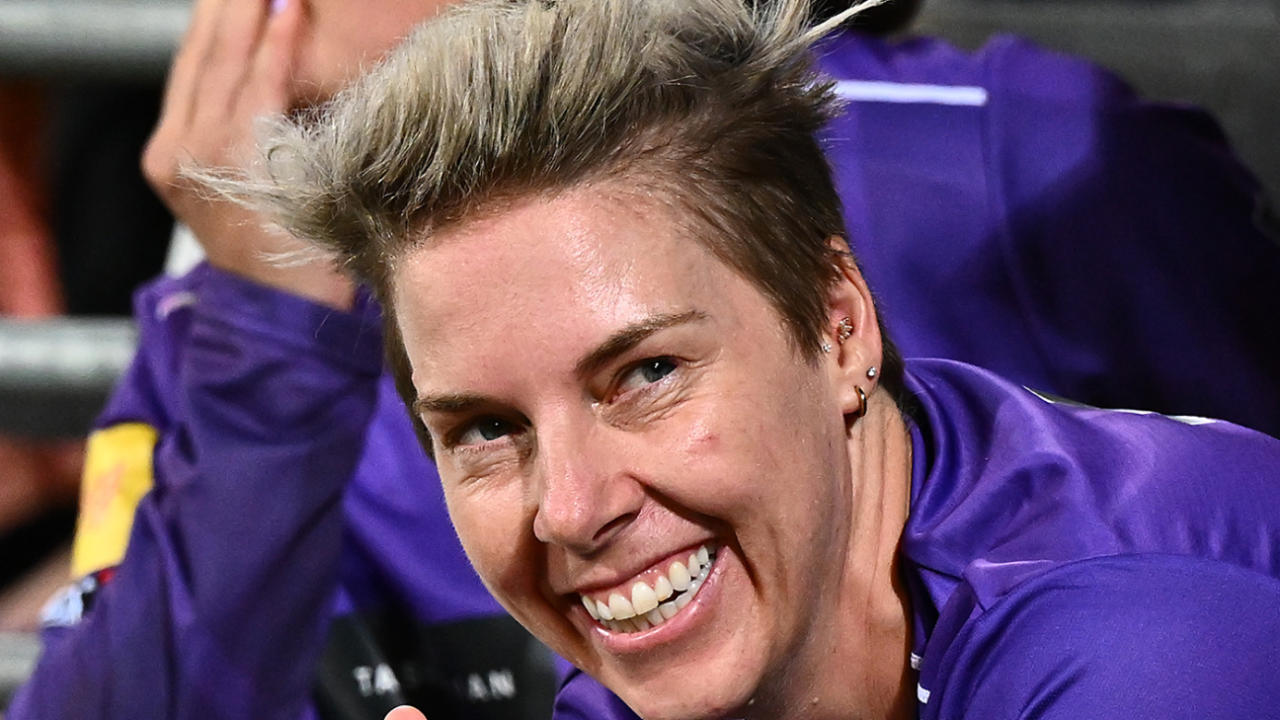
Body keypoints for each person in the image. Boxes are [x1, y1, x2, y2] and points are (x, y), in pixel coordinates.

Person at [12, 0, 1280, 718]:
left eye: (646, 375)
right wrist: (259, 335)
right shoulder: (246, 298)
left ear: (842, 323)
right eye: (479, 430)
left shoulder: (1143, 636)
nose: (572, 504)